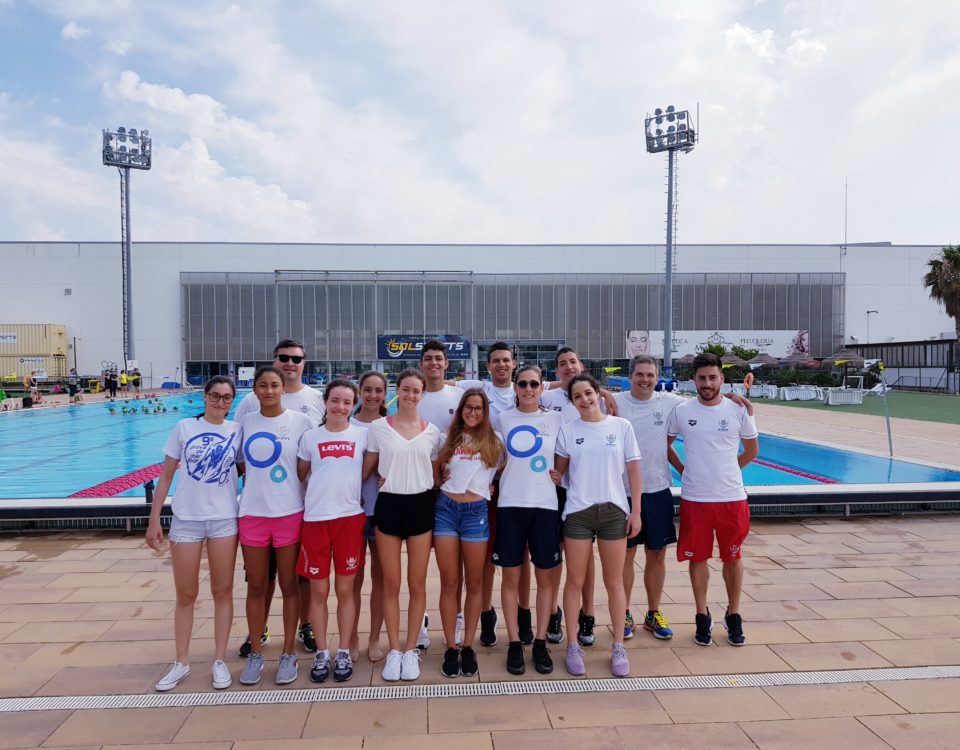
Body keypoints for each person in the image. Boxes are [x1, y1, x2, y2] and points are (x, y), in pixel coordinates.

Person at [146, 376, 241, 692]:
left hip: (225, 519)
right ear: (205, 397)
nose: (220, 403)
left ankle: (219, 660)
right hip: (186, 519)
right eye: (215, 396)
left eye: (227, 398)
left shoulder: (236, 431)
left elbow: (251, 470)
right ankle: (181, 661)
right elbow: (166, 476)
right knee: (186, 594)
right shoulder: (184, 428)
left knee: (222, 591)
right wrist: (154, 518)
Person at [234, 339, 325, 658]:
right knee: (260, 577)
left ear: (304, 362)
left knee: (297, 576)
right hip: (259, 508)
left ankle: (306, 626)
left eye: (296, 359)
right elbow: (238, 455)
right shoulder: (248, 405)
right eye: (283, 358)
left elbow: (319, 448)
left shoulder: (315, 399)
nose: (290, 363)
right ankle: (258, 630)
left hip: (299, 505)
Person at [667, 352, 759, 647]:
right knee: (699, 559)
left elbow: (752, 451)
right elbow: (666, 446)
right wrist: (685, 471)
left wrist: (729, 470)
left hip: (731, 497)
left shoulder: (738, 411)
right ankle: (701, 615)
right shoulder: (682, 410)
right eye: (702, 378)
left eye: (712, 377)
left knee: (733, 556)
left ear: (721, 378)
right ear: (694, 380)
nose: (707, 383)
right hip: (696, 498)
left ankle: (733, 614)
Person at [554, 374, 642, 677]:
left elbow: (633, 473)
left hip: (614, 512)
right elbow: (559, 473)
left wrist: (636, 512)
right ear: (572, 401)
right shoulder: (567, 431)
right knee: (575, 581)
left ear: (598, 394)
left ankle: (618, 645)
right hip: (578, 512)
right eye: (577, 396)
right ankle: (572, 645)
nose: (584, 400)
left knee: (614, 582)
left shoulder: (621, 427)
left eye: (588, 393)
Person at [362, 369, 441, 681]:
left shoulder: (433, 432)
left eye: (415, 391)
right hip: (390, 504)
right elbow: (365, 469)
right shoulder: (379, 428)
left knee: (417, 583)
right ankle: (394, 648)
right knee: (391, 584)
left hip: (421, 504)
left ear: (422, 395)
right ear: (398, 391)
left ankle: (411, 650)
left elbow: (436, 477)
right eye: (405, 390)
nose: (410, 395)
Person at [454, 342, 531, 649]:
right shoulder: (479, 390)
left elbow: (559, 383)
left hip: (515, 486)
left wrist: (605, 392)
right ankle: (486, 614)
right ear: (487, 367)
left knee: (521, 556)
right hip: (484, 488)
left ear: (514, 364)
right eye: (496, 361)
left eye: (506, 360)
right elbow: (444, 383)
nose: (501, 365)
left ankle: (524, 613)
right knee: (485, 556)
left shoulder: (527, 391)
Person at [494, 365, 565, 675]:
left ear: (541, 387)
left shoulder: (555, 419)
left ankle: (539, 641)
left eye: (533, 383)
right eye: (522, 383)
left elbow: (567, 449)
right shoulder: (503, 419)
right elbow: (495, 459)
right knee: (510, 578)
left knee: (545, 578)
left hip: (545, 506)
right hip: (510, 505)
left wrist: (559, 471)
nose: (527, 388)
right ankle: (513, 642)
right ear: (515, 387)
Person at [296, 379, 368, 684]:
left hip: (350, 520)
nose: (340, 407)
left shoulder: (363, 436)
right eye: (335, 401)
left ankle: (342, 651)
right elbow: (302, 474)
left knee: (345, 590)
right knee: (319, 591)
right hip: (316, 522)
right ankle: (322, 652)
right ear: (325, 402)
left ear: (354, 406)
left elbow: (369, 470)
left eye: (347, 402)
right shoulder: (310, 437)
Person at [435, 389, 503, 678]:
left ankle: (468, 644)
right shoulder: (446, 440)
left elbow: (504, 473)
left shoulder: (496, 442)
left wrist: (488, 489)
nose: (473, 412)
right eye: (468, 407)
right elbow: (434, 474)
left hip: (476, 513)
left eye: (478, 408)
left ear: (485, 412)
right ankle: (451, 646)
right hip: (446, 511)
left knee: (475, 583)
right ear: (461, 410)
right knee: (450, 582)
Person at [540, 347, 598, 647]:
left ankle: (587, 614)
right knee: (554, 557)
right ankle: (552, 611)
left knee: (584, 558)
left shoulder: (596, 397)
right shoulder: (546, 398)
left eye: (572, 362)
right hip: (556, 488)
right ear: (556, 371)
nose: (568, 367)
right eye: (561, 364)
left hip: (586, 491)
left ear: (581, 365)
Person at [349, 371, 389, 663]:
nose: (373, 396)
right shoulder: (343, 424)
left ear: (385, 394)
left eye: (378, 391)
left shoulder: (390, 426)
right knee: (352, 580)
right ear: (359, 392)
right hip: (349, 512)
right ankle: (351, 637)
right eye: (368, 390)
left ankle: (375, 637)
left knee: (381, 579)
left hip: (382, 509)